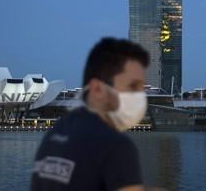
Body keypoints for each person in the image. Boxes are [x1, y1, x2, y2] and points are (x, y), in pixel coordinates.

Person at [31, 37, 151, 191]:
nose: (141, 96)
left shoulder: (56, 132)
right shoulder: (117, 146)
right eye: (133, 86)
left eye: (142, 87)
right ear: (97, 89)